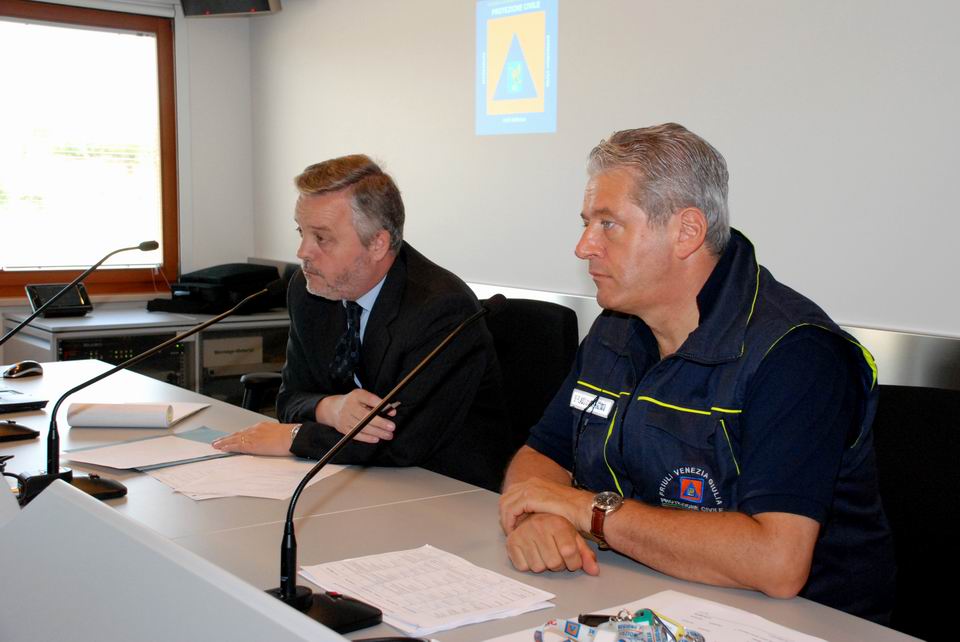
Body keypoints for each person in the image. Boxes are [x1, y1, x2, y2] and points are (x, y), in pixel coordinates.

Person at [498, 123, 895, 622]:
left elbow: (776, 563)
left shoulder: (796, 352)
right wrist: (539, 516)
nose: (584, 247)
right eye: (587, 223)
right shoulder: (617, 327)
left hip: (799, 624)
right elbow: (542, 455)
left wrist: (588, 511)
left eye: (608, 224)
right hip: (646, 595)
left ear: (686, 232)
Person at [214, 154, 509, 490]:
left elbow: (401, 439)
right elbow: (290, 398)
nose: (302, 252)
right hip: (353, 474)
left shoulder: (441, 309)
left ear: (378, 244)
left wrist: (293, 437)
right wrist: (330, 408)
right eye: (301, 232)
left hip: (444, 488)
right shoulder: (309, 290)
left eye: (321, 238)